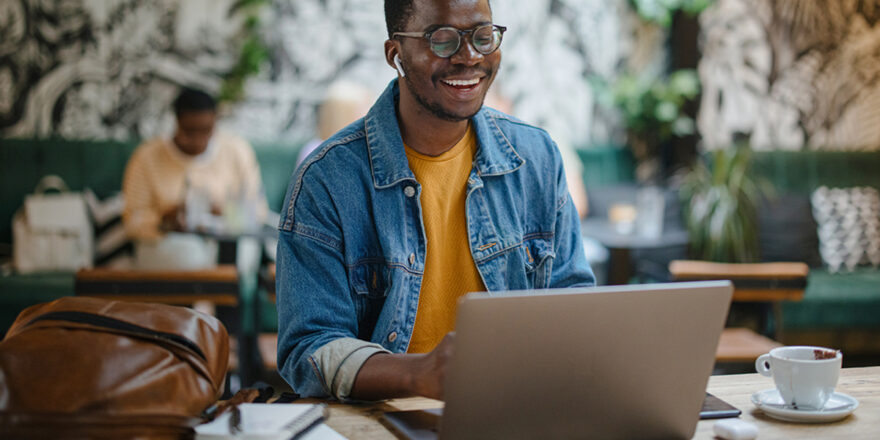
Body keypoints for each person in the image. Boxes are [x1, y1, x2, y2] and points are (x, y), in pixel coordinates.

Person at [276, 0, 595, 402]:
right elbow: (308, 348)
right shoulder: (327, 180)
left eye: (482, 36)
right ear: (396, 54)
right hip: (383, 419)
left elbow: (574, 305)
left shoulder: (537, 157)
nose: (469, 57)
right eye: (442, 39)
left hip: (516, 409)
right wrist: (418, 374)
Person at [122, 88, 268, 267]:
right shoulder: (147, 156)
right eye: (190, 131)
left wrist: (221, 211)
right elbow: (132, 222)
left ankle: (217, 287)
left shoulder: (238, 151)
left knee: (240, 251)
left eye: (206, 130)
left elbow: (258, 212)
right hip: (170, 244)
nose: (198, 140)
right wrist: (166, 219)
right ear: (176, 122)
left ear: (216, 121)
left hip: (225, 241)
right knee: (188, 255)